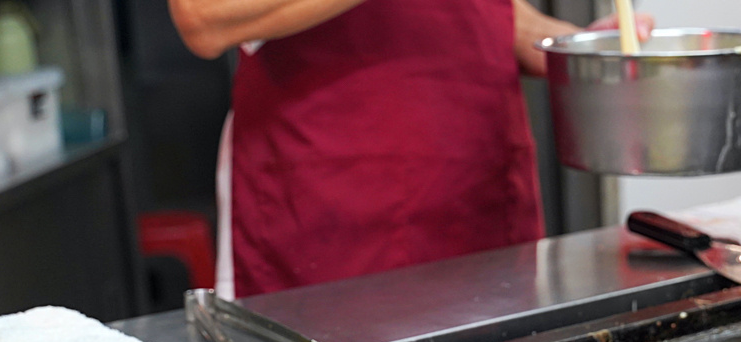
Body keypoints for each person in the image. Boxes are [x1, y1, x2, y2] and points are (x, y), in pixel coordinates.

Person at [168, 0, 652, 297]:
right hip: (328, 214)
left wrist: (582, 49)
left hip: (479, 206)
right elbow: (204, 15)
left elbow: (493, 15)